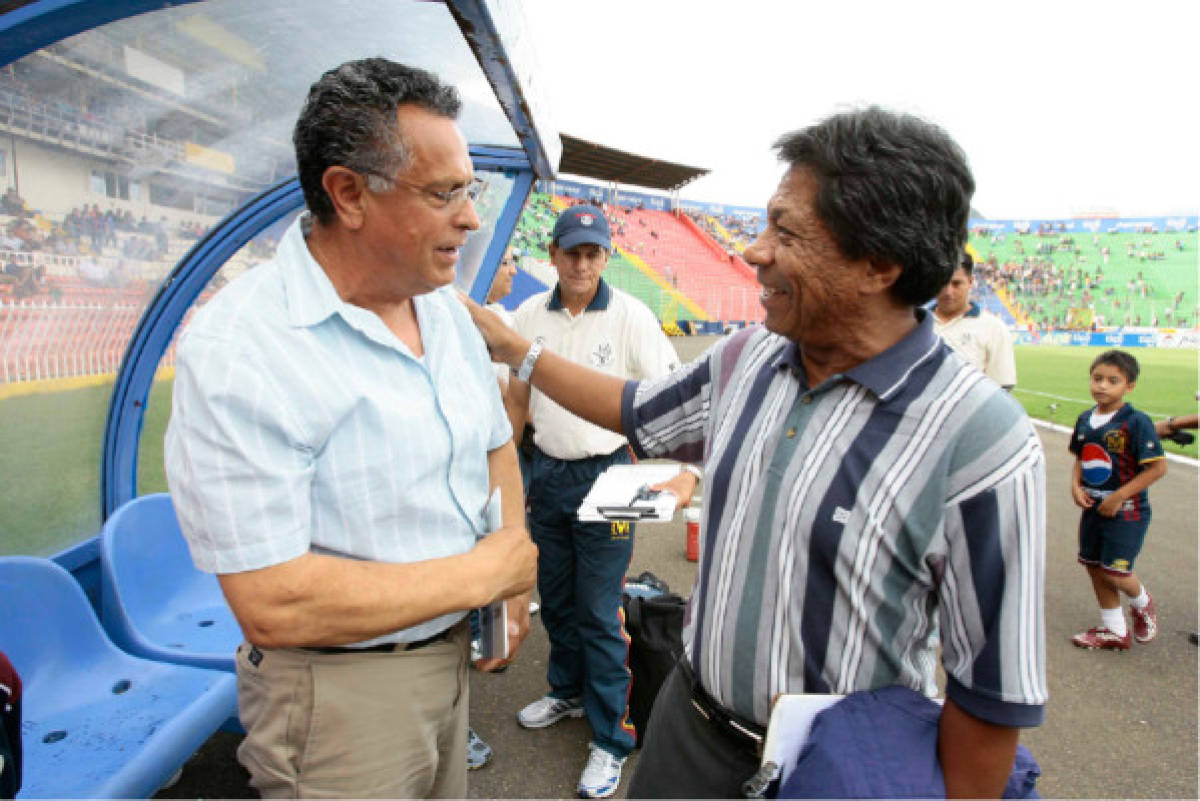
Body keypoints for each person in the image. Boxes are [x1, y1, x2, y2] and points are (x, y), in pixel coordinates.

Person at [464, 107, 1047, 799]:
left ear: (878, 265)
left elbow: (991, 695)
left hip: (831, 771)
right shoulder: (749, 354)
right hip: (688, 728)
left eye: (787, 231)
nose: (754, 249)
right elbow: (633, 408)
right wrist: (517, 350)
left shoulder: (981, 439)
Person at [163, 58, 538, 799]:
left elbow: (494, 442)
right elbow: (273, 597)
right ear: (347, 192)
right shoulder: (244, 345)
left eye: (472, 189)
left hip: (449, 660)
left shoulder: (443, 309)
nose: (471, 217)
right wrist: (490, 571)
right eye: (444, 193)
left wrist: (506, 589)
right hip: (338, 697)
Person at [505, 204, 695, 798]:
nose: (582, 263)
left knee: (599, 608)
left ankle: (612, 736)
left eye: (593, 253)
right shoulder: (529, 313)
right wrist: (511, 472)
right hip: (547, 471)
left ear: (606, 257)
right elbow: (516, 398)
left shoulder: (632, 317)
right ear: (554, 255)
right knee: (557, 600)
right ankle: (566, 690)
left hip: (611, 477)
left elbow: (677, 399)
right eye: (572, 252)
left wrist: (686, 473)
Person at [1068, 350, 1168, 650]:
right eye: (1097, 378)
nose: (1102, 386)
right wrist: (1075, 486)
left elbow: (1157, 467)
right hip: (1094, 509)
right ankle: (1114, 630)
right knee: (1094, 567)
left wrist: (1119, 496)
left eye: (1113, 381)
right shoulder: (1086, 419)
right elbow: (1080, 457)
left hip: (1127, 511)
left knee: (1116, 571)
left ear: (1129, 386)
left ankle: (1142, 601)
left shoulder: (1136, 422)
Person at [932, 252, 1017, 389]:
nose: (948, 292)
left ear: (970, 282)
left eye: (956, 284)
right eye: (942, 283)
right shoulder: (914, 324)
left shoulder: (993, 328)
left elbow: (1002, 387)